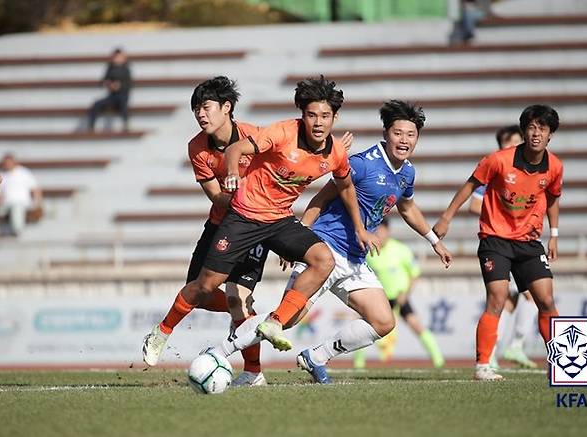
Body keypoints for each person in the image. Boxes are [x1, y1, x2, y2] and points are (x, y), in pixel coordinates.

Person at [209, 100, 452, 384]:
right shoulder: (361, 163)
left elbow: (408, 208)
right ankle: (218, 353)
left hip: (355, 259)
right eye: (398, 133)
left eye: (410, 135)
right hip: (325, 250)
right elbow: (320, 199)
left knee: (384, 321)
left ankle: (316, 357)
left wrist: (433, 240)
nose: (404, 140)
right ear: (386, 134)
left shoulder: (407, 172)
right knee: (286, 319)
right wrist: (296, 242)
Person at [147, 75, 377, 361]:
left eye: (325, 116)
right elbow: (229, 165)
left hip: (278, 221)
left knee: (320, 261)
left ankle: (272, 328)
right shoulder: (275, 134)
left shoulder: (332, 151)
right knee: (204, 288)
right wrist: (232, 175)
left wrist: (359, 228)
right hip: (238, 218)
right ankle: (163, 330)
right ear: (302, 116)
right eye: (312, 115)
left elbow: (344, 185)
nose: (318, 122)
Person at [141, 77, 273, 386]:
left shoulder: (256, 137)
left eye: (206, 107)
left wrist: (277, 230)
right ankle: (161, 332)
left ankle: (253, 372)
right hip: (220, 224)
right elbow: (215, 196)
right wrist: (238, 195)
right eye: (196, 109)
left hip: (256, 226)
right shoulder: (197, 147)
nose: (201, 115)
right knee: (199, 293)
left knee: (237, 299)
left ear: (226, 108)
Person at [433, 105, 562, 381]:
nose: (536, 133)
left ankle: (562, 362)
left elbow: (552, 197)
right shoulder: (498, 160)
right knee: (497, 299)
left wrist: (554, 234)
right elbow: (469, 185)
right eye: (531, 127)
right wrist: (446, 218)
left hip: (529, 241)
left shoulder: (555, 166)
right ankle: (482, 366)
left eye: (543, 128)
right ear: (524, 131)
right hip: (495, 239)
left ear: (550, 135)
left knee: (547, 300)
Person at [469, 125, 538, 370]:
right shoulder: (493, 171)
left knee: (515, 297)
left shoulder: (528, 172)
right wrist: (503, 211)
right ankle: (510, 347)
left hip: (520, 241)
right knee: (517, 295)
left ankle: (502, 349)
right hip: (498, 241)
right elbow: (474, 206)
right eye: (509, 144)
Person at [355, 218, 445, 369]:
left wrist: (406, 294)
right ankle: (358, 364)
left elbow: (414, 274)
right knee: (364, 328)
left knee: (416, 325)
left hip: (400, 297)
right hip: (378, 299)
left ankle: (438, 360)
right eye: (376, 231)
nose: (379, 234)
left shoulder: (401, 250)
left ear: (388, 231)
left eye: (382, 231)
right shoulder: (369, 251)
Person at [0, 154, 42, 236]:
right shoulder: (1, 175)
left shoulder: (23, 173)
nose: (7, 164)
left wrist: (37, 204)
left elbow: (35, 189)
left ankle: (17, 232)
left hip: (21, 203)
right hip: (5, 204)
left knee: (17, 207)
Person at [87, 48, 132, 131]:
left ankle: (126, 124)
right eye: (116, 57)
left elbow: (128, 85)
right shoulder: (110, 68)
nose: (117, 59)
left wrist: (119, 86)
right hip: (112, 96)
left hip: (122, 96)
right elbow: (103, 82)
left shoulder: (126, 69)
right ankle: (91, 126)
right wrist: (108, 84)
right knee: (96, 104)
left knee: (123, 104)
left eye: (119, 57)